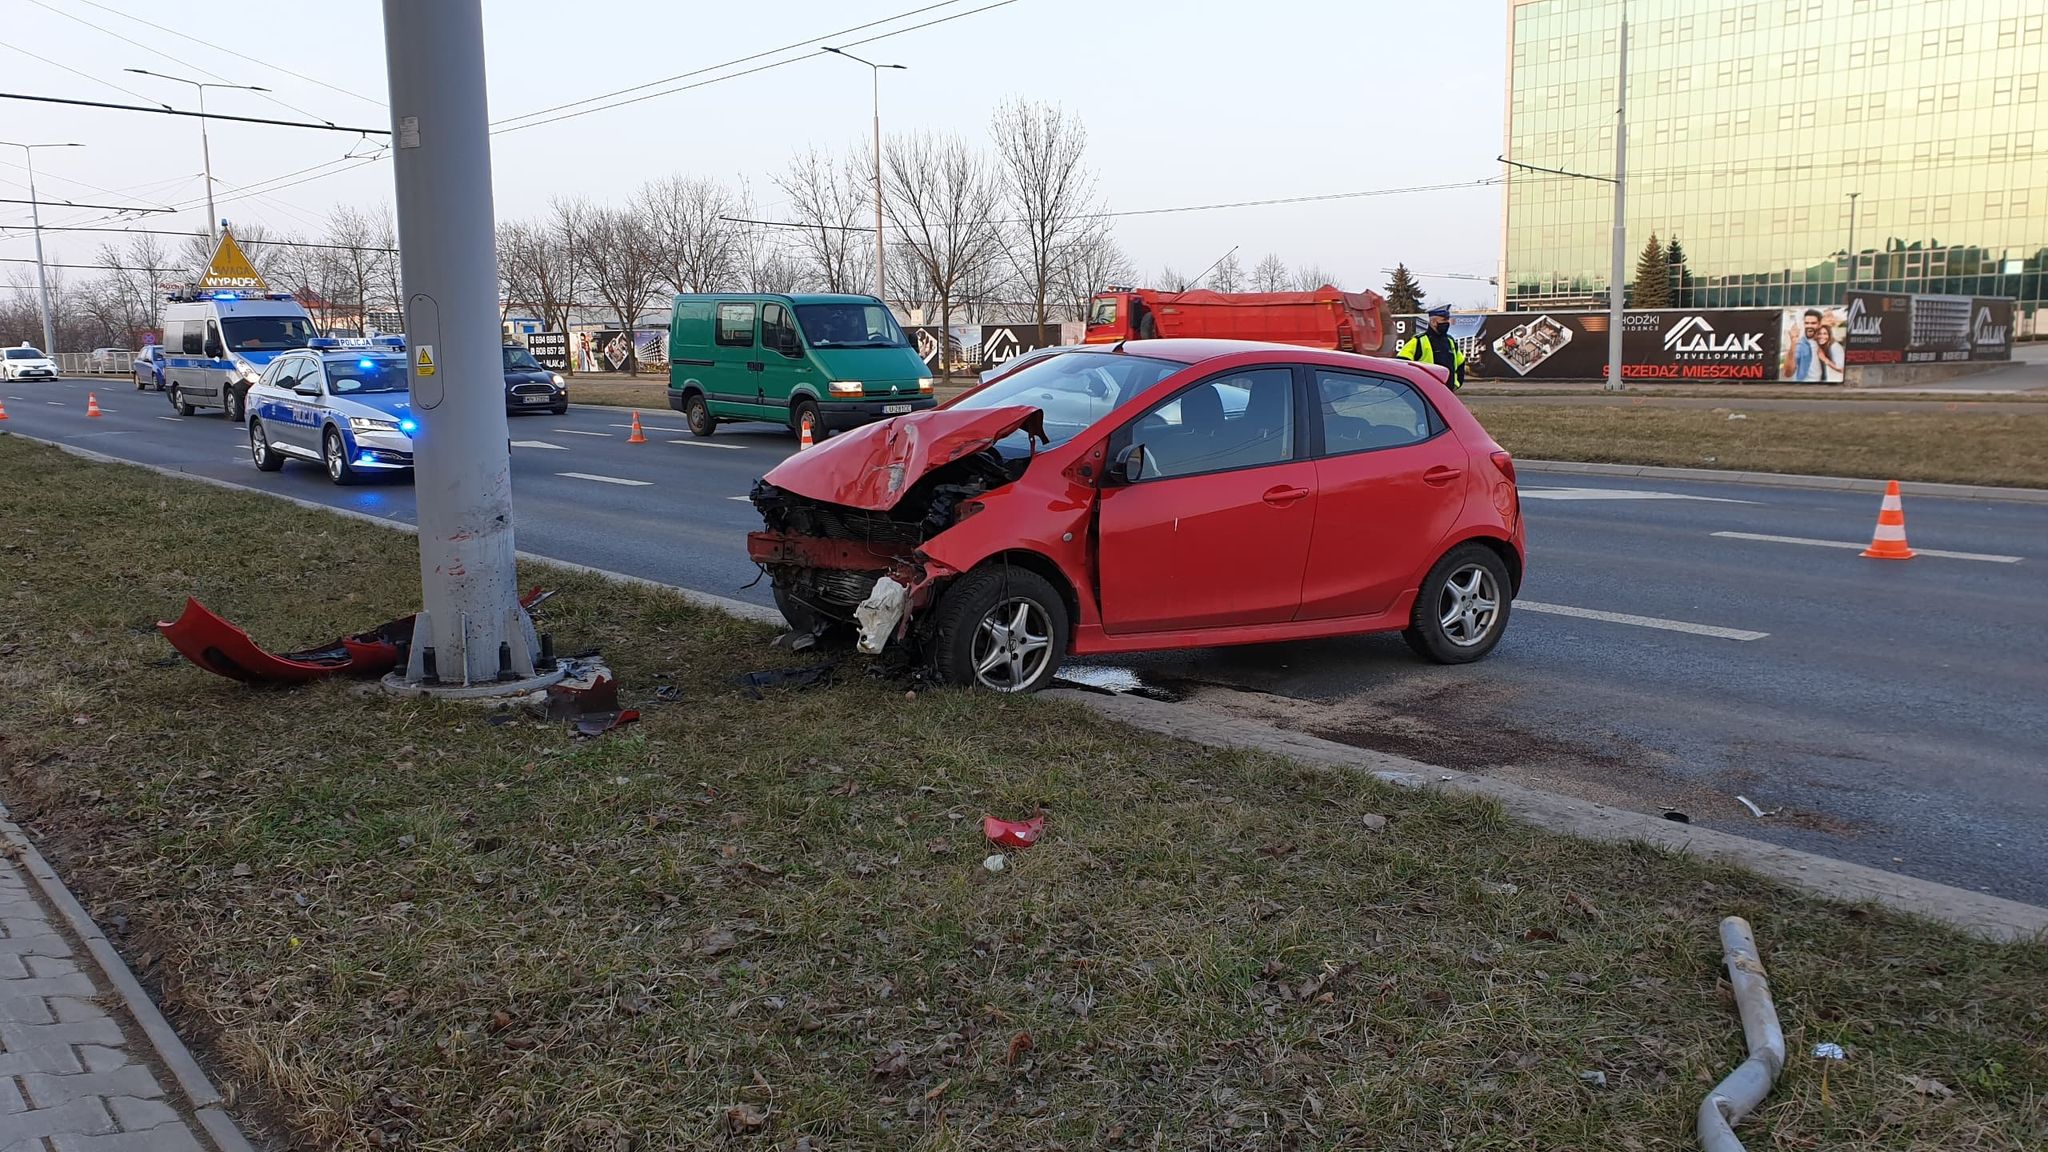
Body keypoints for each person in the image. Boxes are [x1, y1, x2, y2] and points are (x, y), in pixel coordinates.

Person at [1397, 305, 1468, 390]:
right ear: (1433, 322)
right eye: (1444, 320)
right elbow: (1402, 362)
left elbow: (1460, 363)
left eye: (1448, 320)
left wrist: (1456, 384)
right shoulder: (1418, 341)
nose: (1447, 323)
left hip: (1447, 391)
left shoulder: (1450, 341)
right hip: (1426, 392)